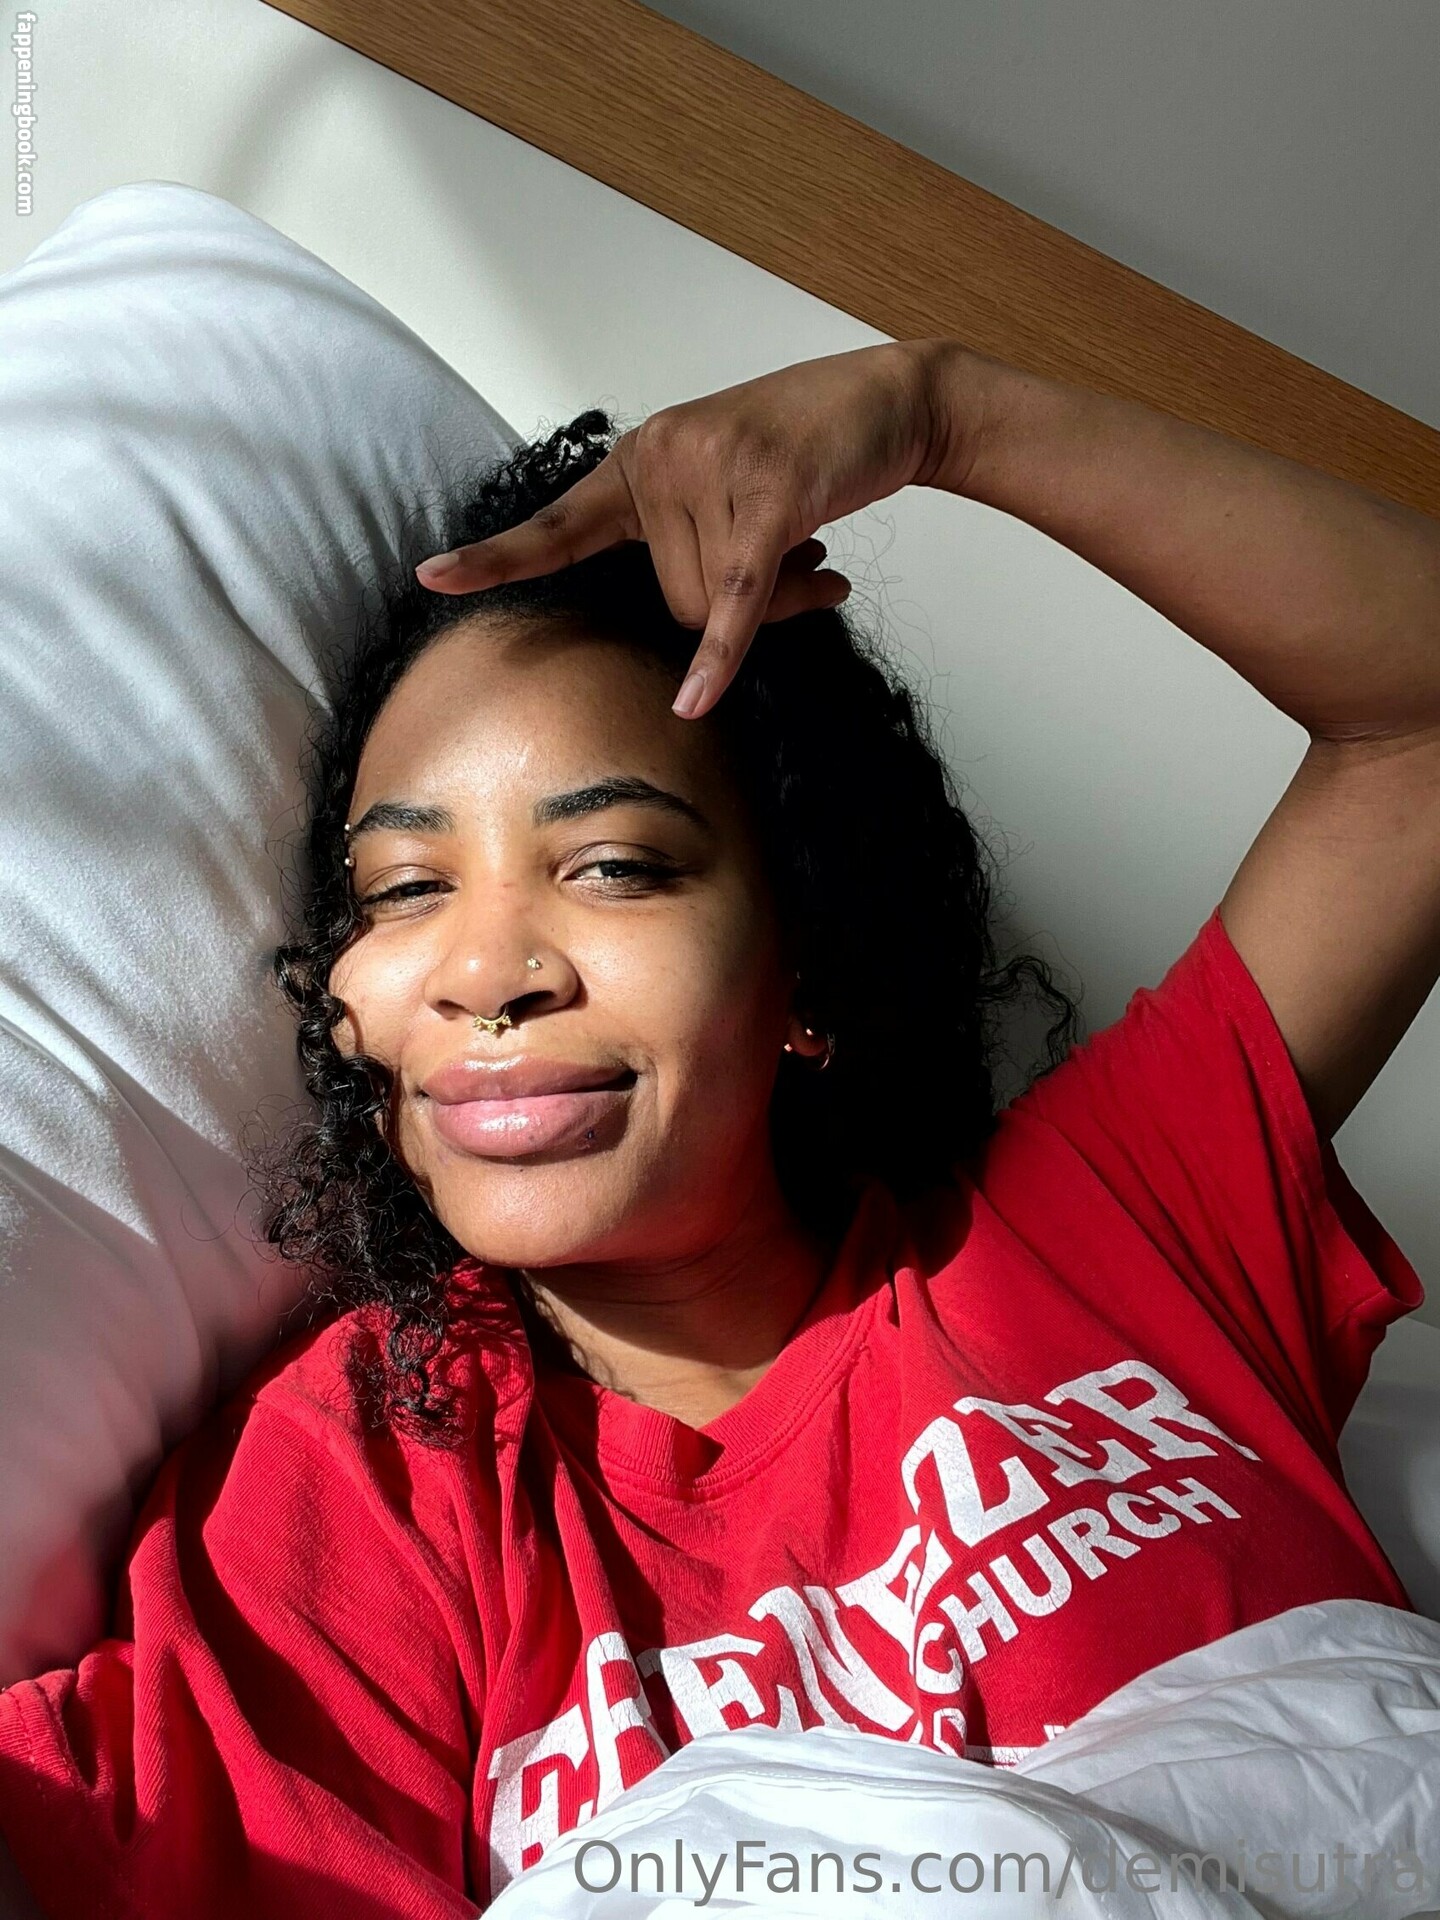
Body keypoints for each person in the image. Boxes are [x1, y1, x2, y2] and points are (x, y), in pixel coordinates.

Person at [0, 336, 1435, 1919]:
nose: (487, 970)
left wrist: (947, 409)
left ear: (804, 960)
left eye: (614, 866)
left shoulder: (1107, 1231)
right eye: (404, 891)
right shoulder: (374, 1478)